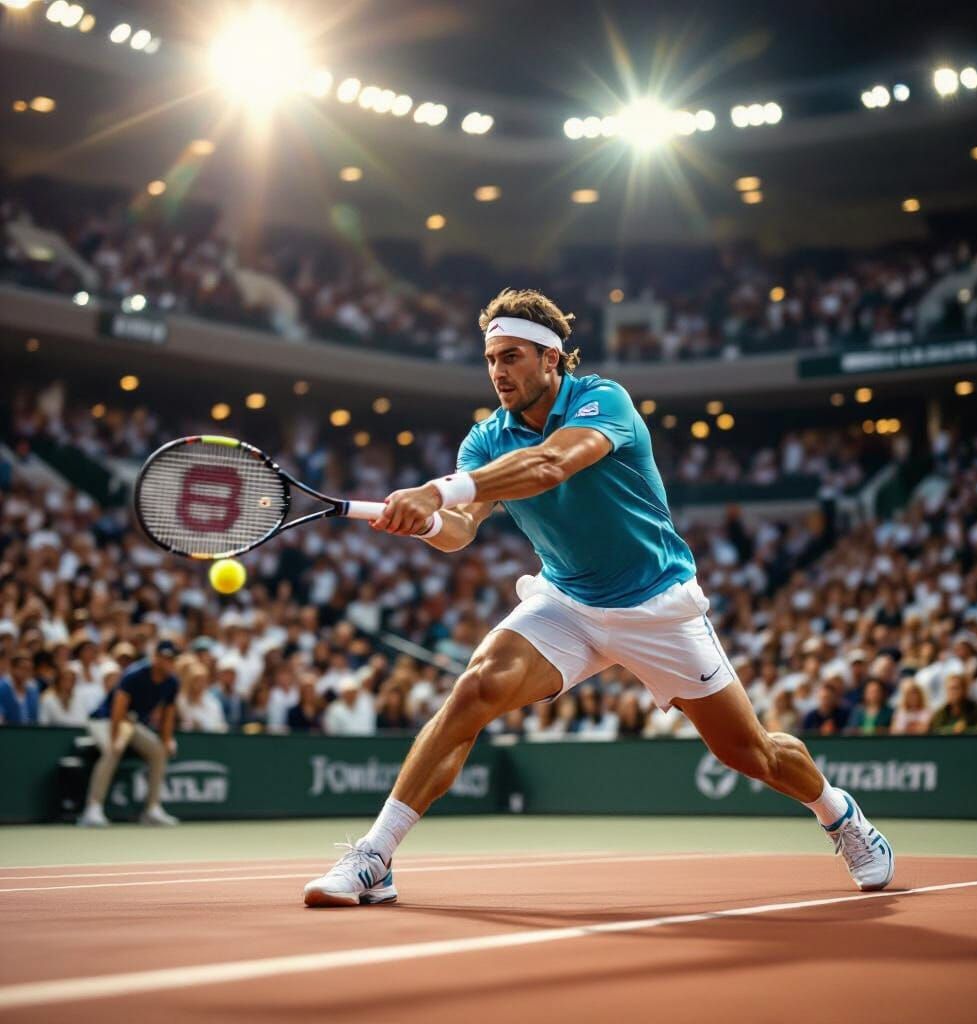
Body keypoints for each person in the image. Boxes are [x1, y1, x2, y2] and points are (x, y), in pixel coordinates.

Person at [304, 288, 893, 907]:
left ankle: (841, 814)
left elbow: (551, 466)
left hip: (656, 605)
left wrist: (437, 490)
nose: (499, 372)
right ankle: (376, 856)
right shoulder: (484, 442)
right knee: (474, 689)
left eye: (512, 357)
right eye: (491, 359)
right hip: (568, 602)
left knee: (752, 753)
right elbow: (461, 529)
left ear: (552, 360)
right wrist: (426, 521)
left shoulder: (602, 400)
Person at [77, 639, 182, 827]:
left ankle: (152, 809)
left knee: (158, 751)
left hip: (130, 724)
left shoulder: (172, 682)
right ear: (155, 657)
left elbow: (168, 715)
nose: (167, 662)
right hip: (105, 719)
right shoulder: (134, 674)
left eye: (171, 659)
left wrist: (167, 741)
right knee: (112, 750)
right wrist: (116, 738)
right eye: (164, 657)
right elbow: (118, 709)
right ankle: (92, 809)